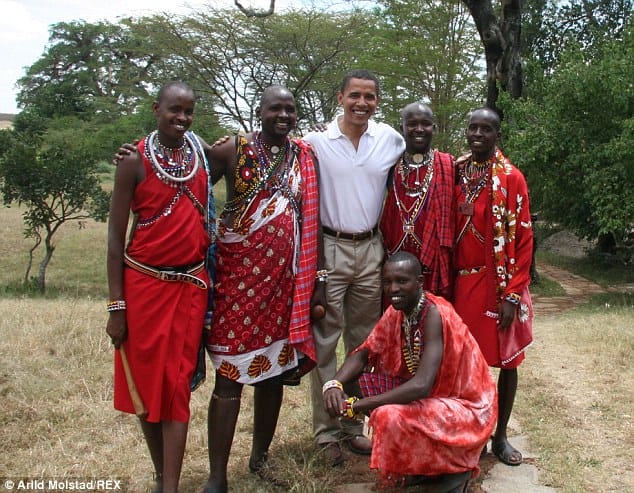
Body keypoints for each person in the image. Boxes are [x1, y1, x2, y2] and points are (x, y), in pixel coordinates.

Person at [201, 85, 323, 493]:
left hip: (284, 287)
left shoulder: (304, 156)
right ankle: (217, 477)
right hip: (237, 284)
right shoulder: (230, 151)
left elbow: (312, 219)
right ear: (260, 111)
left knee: (271, 375)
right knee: (229, 379)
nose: (284, 115)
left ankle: (260, 458)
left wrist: (316, 283)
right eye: (276, 108)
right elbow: (190, 182)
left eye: (290, 109)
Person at [106, 81, 215, 493]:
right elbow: (116, 238)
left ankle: (169, 485)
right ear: (156, 108)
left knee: (176, 387)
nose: (182, 119)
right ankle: (160, 474)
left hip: (190, 286)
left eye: (188, 112)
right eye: (174, 110)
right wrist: (117, 305)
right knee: (146, 388)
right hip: (142, 288)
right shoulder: (132, 160)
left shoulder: (200, 154)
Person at [322, 252, 497, 491]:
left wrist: (360, 406)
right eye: (387, 282)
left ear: (419, 282)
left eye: (402, 281)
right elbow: (363, 353)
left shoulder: (435, 314)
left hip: (465, 407)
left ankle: (453, 469)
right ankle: (420, 465)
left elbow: (421, 385)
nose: (393, 288)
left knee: (387, 415)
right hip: (432, 398)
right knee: (354, 383)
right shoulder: (397, 312)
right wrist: (333, 384)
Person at [303, 69, 405, 465]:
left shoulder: (389, 140)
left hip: (371, 249)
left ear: (377, 101)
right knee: (325, 341)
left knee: (364, 344)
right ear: (340, 97)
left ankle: (351, 425)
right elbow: (276, 150)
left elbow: (421, 152)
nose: (362, 103)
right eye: (355, 96)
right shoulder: (316, 142)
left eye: (370, 97)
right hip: (330, 248)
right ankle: (326, 432)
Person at [453, 107, 534, 466]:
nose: (478, 135)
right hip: (461, 282)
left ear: (497, 136)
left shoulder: (511, 178)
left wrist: (512, 295)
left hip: (499, 285)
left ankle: (500, 437)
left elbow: (524, 241)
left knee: (507, 362)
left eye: (487, 129)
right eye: (473, 128)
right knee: (468, 365)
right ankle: (473, 435)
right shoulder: (455, 173)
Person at [380, 102, 455, 299]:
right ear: (401, 128)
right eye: (412, 124)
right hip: (395, 266)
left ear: (434, 128)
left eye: (426, 124)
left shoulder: (448, 166)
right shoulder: (388, 165)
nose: (419, 129)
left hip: (432, 265)